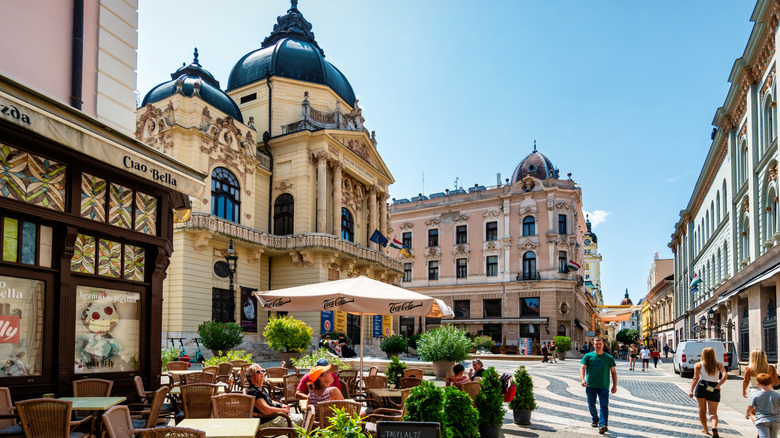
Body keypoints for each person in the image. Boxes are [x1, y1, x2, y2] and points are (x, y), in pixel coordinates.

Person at [245, 364, 303, 429]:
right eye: (258, 372)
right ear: (251, 378)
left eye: (262, 371)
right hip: (267, 422)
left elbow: (269, 401)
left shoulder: (260, 388)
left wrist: (281, 405)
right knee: (303, 421)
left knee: (305, 418)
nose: (262, 373)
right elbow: (266, 410)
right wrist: (282, 410)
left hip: (275, 417)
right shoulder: (253, 391)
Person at [580, 336, 617, 435]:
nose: (598, 345)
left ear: (603, 344)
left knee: (604, 406)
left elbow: (613, 372)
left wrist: (615, 385)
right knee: (591, 404)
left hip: (604, 386)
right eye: (596, 344)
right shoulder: (588, 356)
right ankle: (595, 419)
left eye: (600, 343)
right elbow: (583, 368)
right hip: (591, 385)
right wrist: (583, 379)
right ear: (593, 345)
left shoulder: (609, 358)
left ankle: (603, 424)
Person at [688, 347, 728, 437]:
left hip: (701, 386)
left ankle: (705, 429)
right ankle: (714, 426)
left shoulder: (698, 365)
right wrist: (718, 385)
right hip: (714, 387)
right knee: (713, 412)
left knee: (702, 410)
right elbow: (725, 376)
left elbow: (695, 378)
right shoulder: (719, 365)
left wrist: (691, 390)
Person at [747, 373, 780, 438]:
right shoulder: (778, 395)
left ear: (758, 384)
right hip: (775, 420)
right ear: (772, 384)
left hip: (762, 420)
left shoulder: (755, 395)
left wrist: (747, 414)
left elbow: (749, 407)